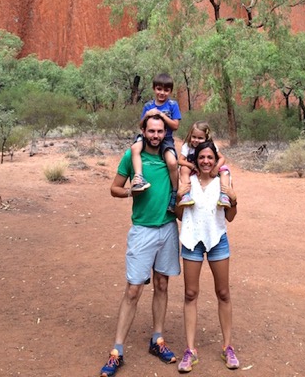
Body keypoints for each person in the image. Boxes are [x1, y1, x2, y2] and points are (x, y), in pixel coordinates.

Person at [99, 114, 180, 377]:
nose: (155, 135)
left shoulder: (171, 158)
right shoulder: (132, 156)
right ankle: (117, 351)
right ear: (143, 131)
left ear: (164, 133)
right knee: (133, 289)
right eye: (151, 131)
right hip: (142, 230)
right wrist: (130, 192)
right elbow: (114, 188)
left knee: (162, 284)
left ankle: (157, 339)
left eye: (160, 131)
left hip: (168, 228)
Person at [175, 141, 240, 373]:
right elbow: (180, 215)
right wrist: (178, 197)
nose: (205, 161)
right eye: (201, 157)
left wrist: (233, 198)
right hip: (192, 240)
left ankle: (227, 346)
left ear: (215, 160)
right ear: (195, 159)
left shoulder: (222, 181)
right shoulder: (187, 182)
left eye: (209, 157)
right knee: (190, 294)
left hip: (217, 240)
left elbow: (230, 216)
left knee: (223, 293)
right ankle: (190, 350)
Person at [130, 73, 181, 212]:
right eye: (159, 89)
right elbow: (141, 125)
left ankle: (174, 193)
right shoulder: (148, 105)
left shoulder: (172, 105)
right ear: (154, 89)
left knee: (171, 162)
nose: (162, 93)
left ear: (170, 91)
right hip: (147, 136)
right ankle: (139, 177)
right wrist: (147, 115)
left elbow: (175, 126)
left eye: (166, 90)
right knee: (134, 149)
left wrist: (162, 115)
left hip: (166, 139)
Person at [178, 120, 231, 208]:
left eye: (200, 138)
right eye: (194, 137)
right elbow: (180, 160)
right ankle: (186, 194)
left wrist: (216, 168)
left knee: (225, 171)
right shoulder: (187, 146)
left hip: (210, 168)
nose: (196, 140)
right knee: (183, 168)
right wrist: (191, 166)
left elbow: (222, 158)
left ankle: (224, 195)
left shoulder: (211, 145)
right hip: (194, 168)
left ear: (206, 138)